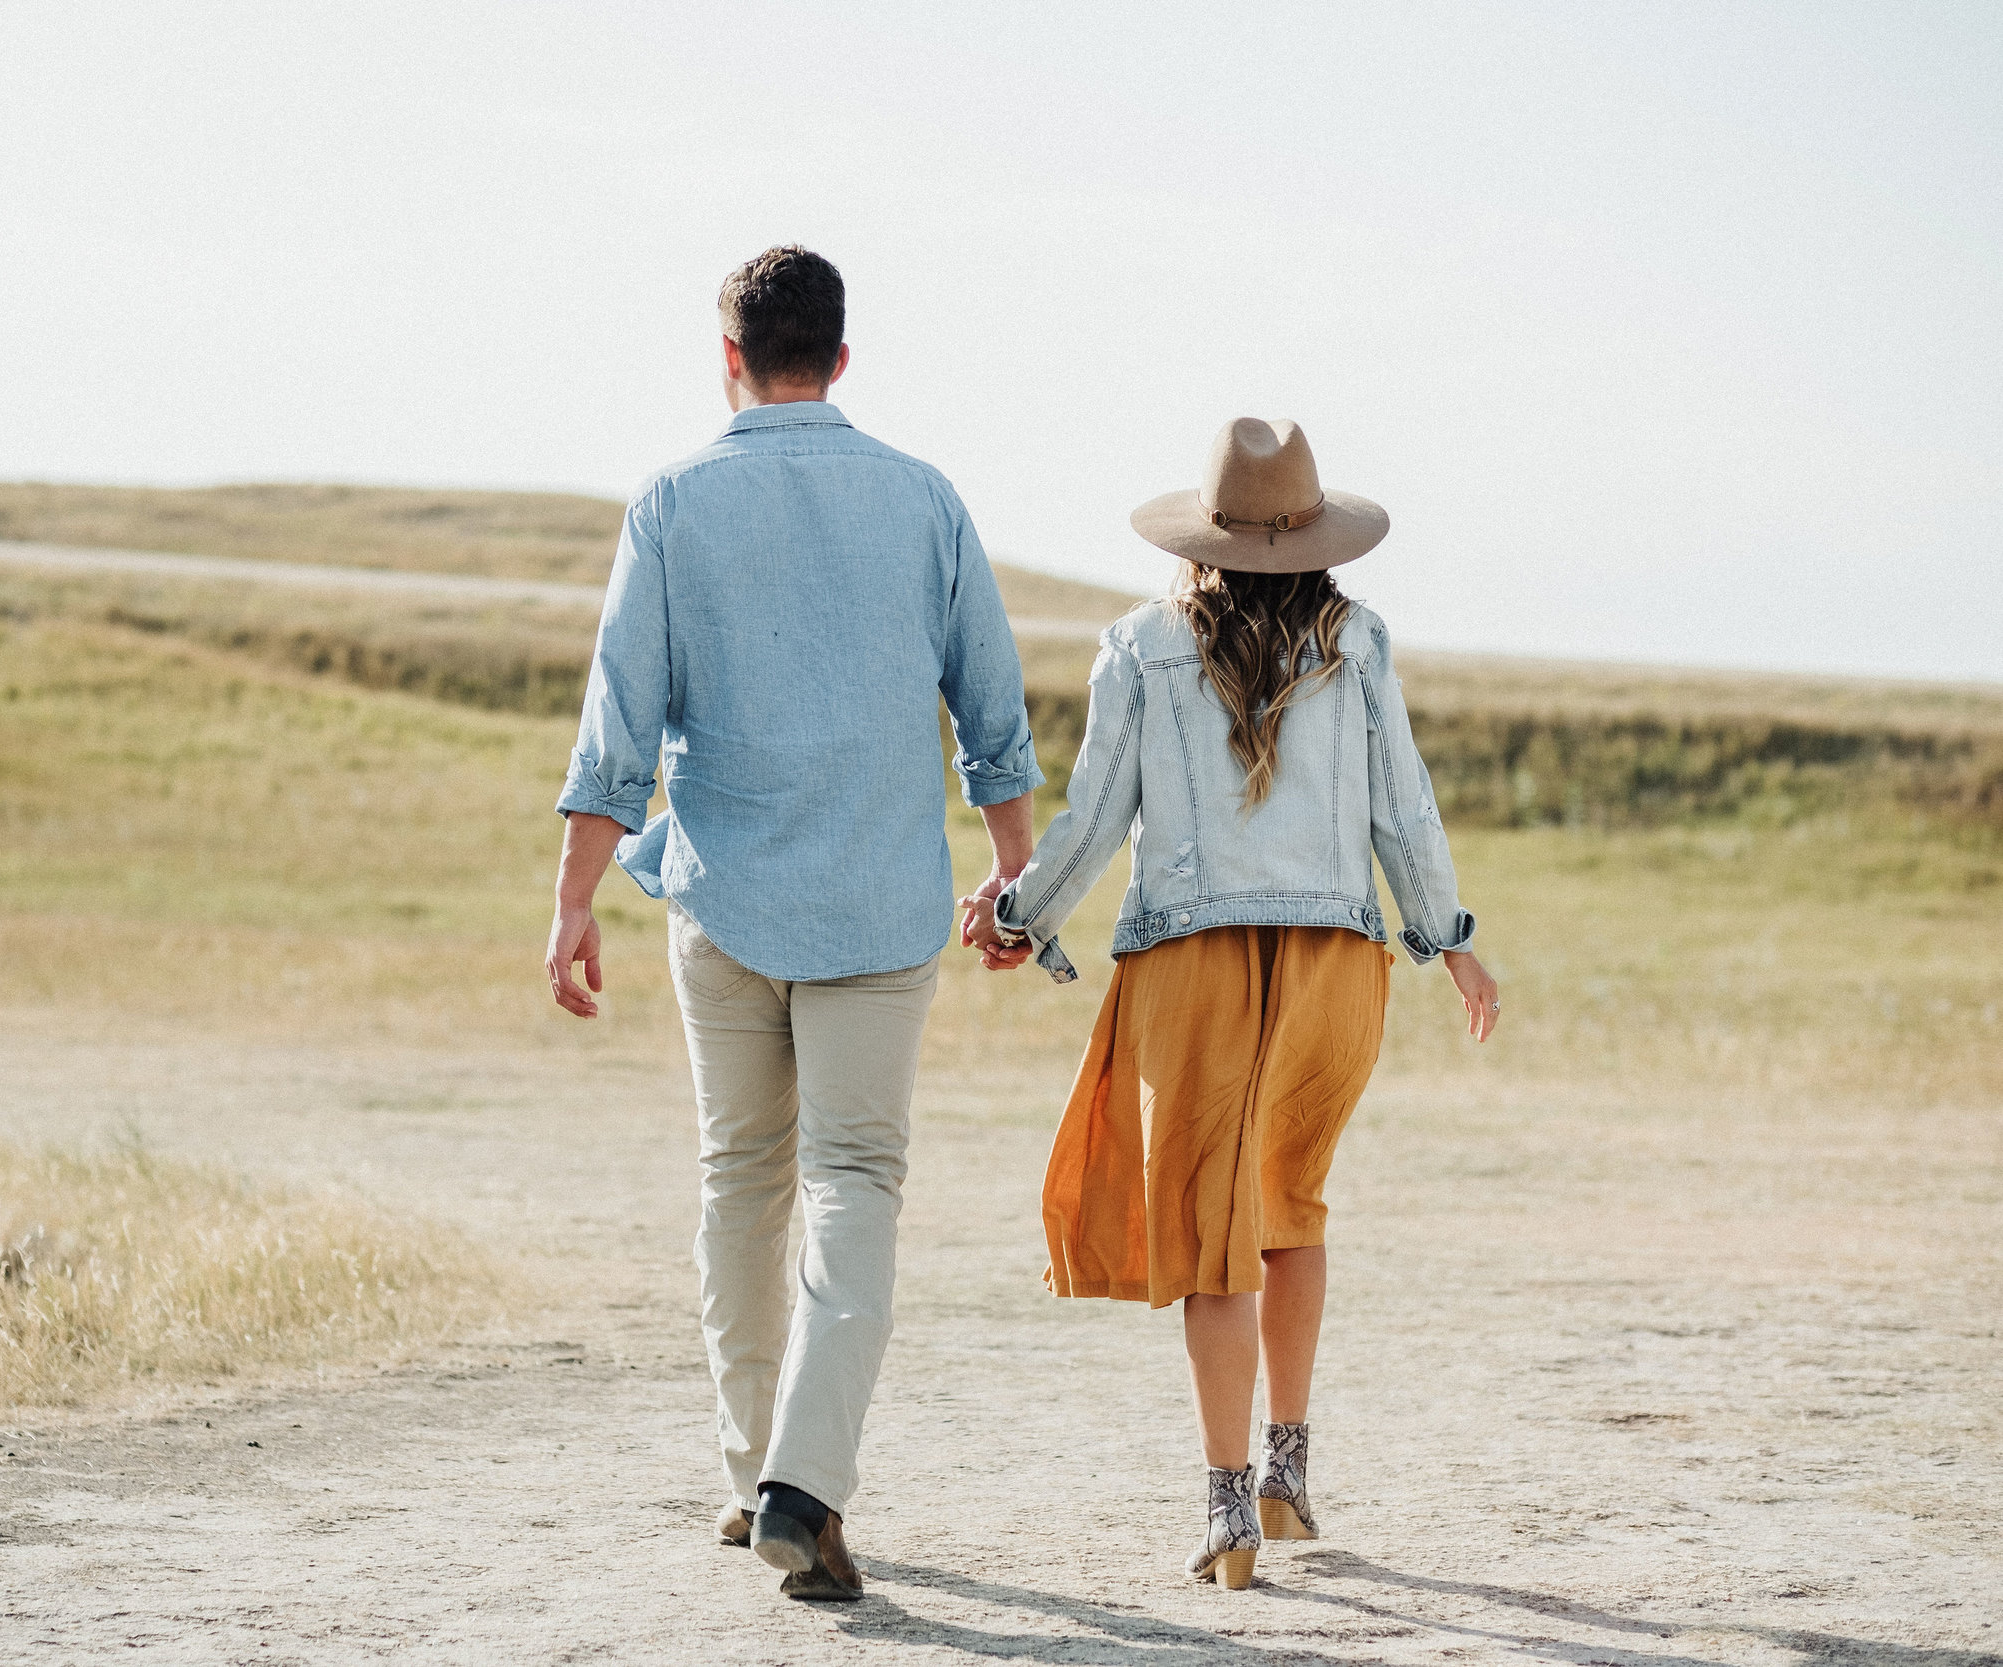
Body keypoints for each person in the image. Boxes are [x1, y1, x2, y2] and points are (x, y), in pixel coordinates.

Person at [547, 246, 1042, 1603]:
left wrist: (575, 894)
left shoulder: (671, 502)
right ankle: (800, 1483)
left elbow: (618, 725)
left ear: (730, 357)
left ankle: (753, 1467)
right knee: (856, 1182)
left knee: (740, 1181)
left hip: (720, 899)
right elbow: (992, 721)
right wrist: (1017, 883)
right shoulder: (926, 499)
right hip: (880, 906)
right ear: (839, 357)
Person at [962, 417, 1502, 1591]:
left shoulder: (1138, 645)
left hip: (1192, 967)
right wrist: (1448, 940)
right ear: (1314, 535)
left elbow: (1096, 815)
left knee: (1211, 1229)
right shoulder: (1359, 644)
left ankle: (1223, 1508)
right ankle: (1285, 1467)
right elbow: (1402, 813)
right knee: (1289, 1206)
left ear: (1202, 535)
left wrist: (1018, 912)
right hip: (1333, 965)